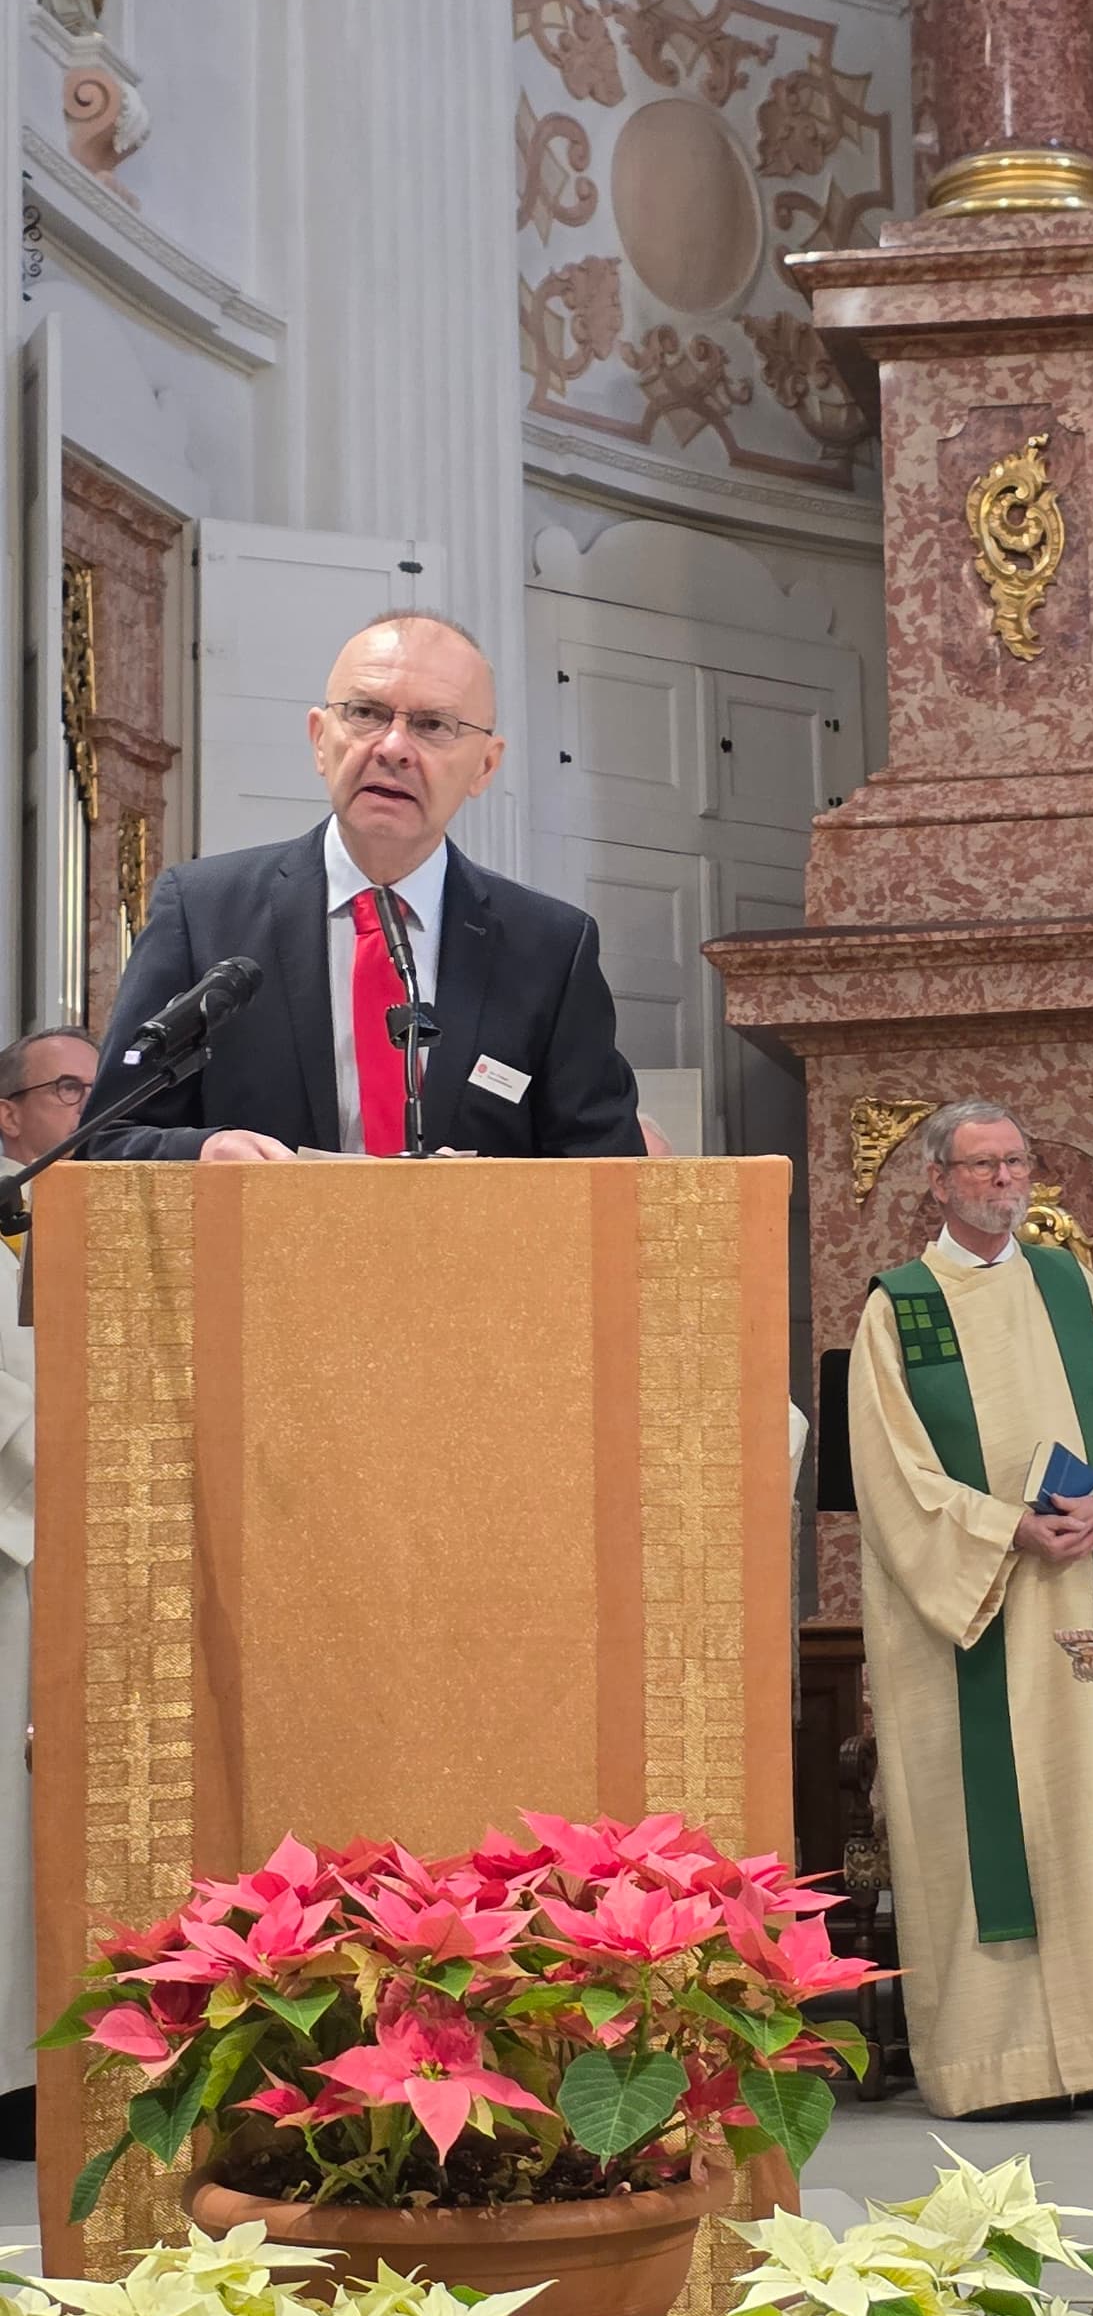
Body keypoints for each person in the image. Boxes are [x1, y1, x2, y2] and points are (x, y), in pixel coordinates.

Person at [80, 614, 640, 1161]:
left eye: (433, 725)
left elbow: (606, 1170)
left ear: (484, 767)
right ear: (320, 740)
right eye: (367, 713)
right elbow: (106, 1141)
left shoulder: (550, 947)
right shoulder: (202, 912)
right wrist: (204, 1151)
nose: (393, 747)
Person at [845, 1100, 1093, 2117]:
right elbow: (891, 1478)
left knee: (1092, 1811)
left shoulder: (1070, 1282)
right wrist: (1005, 1528)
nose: (1002, 1180)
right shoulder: (903, 1305)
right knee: (987, 1821)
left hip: (1084, 1599)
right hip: (973, 1606)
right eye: (979, 1166)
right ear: (937, 1181)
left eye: (1014, 1163)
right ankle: (998, 2064)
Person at [0, 1023, 95, 2161]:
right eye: (64, 1088)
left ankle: (49, 2065)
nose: (86, 1104)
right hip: (18, 1554)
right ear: (9, 1116)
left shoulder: (127, 1222)